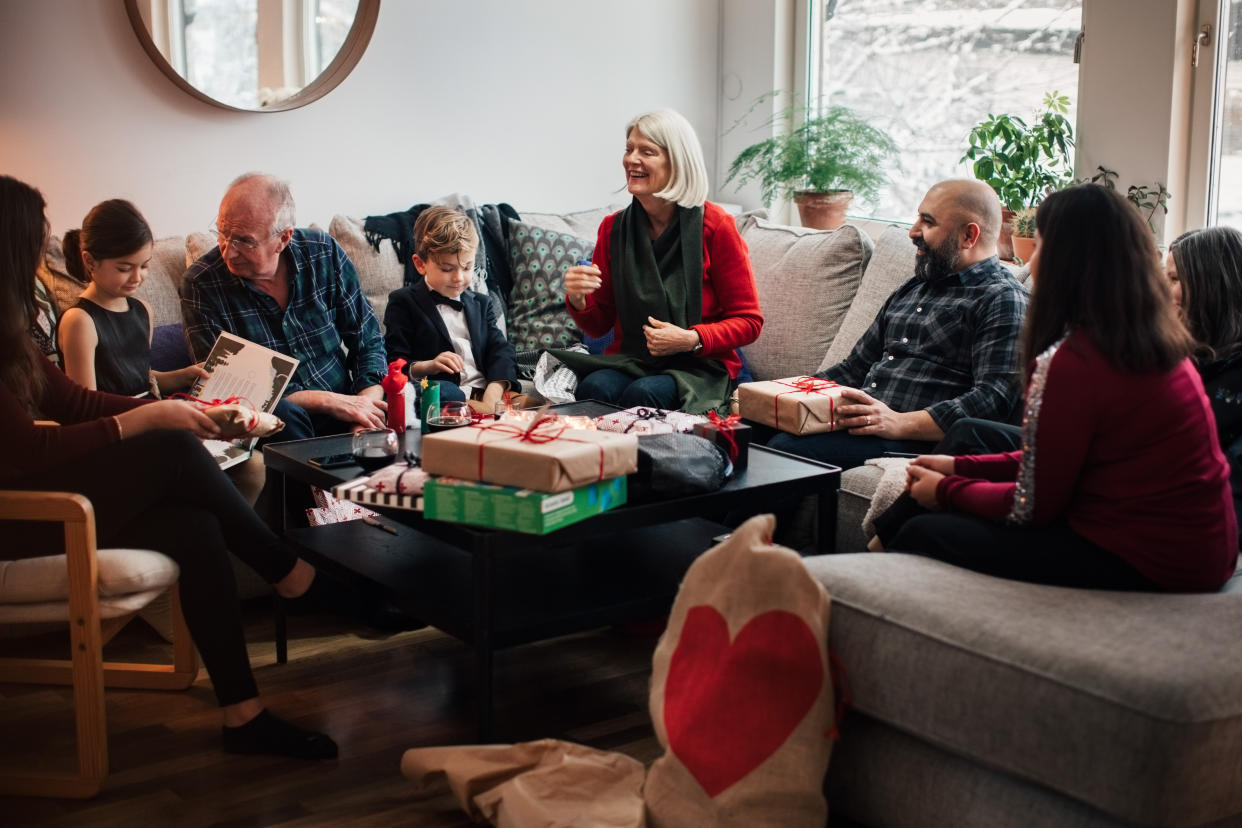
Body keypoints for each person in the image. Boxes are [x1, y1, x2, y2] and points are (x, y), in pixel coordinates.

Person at [0, 174, 356, 759]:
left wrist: (168, 408)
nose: (44, 257)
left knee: (197, 526)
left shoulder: (15, 329)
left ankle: (243, 717)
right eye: (34, 243)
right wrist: (145, 422)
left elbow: (76, 403)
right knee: (171, 446)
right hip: (21, 516)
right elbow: (29, 453)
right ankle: (289, 571)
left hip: (52, 498)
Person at [876, 184, 1237, 592]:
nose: (1029, 258)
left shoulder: (1078, 362)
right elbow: (1049, 462)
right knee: (939, 513)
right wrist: (962, 468)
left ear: (1069, 262)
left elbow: (1031, 506)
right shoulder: (1153, 342)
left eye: (1041, 243)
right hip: (1204, 553)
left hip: (1150, 560)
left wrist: (948, 490)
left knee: (924, 532)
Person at [767, 179, 1029, 470]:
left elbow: (993, 400)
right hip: (866, 423)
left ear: (969, 235)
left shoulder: (1002, 299)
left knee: (782, 451)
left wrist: (899, 423)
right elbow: (854, 368)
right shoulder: (915, 287)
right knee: (747, 429)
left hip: (916, 439)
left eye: (927, 222)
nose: (913, 231)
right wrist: (783, 394)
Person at [557, 109, 763, 415]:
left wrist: (691, 339)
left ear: (677, 162)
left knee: (645, 394)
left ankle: (638, 463)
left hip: (701, 365)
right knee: (594, 388)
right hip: (634, 359)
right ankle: (598, 462)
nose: (631, 159)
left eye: (647, 151)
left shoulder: (716, 226)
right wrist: (578, 297)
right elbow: (599, 326)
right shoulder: (613, 229)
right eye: (629, 149)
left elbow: (749, 322)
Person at [182, 173, 388, 440]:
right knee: (286, 416)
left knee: (442, 393)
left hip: (352, 402)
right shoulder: (201, 284)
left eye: (244, 241)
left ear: (283, 238)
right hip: (280, 418)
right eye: (222, 233)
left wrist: (365, 408)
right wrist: (334, 403)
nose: (228, 251)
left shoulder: (322, 252)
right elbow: (220, 383)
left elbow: (368, 339)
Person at [58, 199, 206, 396]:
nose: (137, 278)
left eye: (144, 266)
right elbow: (88, 407)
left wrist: (183, 376)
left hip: (150, 412)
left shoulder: (143, 310)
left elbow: (139, 380)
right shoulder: (80, 321)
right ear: (90, 262)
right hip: (114, 422)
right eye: (124, 268)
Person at [382, 206, 519, 412]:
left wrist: (494, 389)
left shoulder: (482, 303)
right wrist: (430, 365)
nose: (458, 277)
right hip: (441, 389)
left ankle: (485, 410)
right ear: (420, 264)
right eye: (447, 269)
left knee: (527, 402)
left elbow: (500, 349)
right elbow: (395, 362)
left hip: (484, 390)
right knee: (445, 393)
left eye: (466, 267)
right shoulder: (403, 302)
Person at [1166, 226, 1242, 539]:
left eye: (1174, 279)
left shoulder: (1231, 378)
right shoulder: (1187, 356)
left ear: (1209, 285)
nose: (1164, 292)